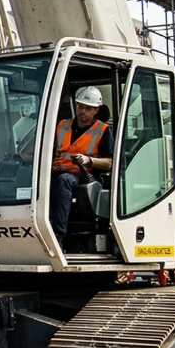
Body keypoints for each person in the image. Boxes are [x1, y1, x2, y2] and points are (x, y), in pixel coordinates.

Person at [49, 86, 113, 244]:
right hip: (55, 170)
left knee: (64, 181)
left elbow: (110, 163)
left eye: (87, 108)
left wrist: (89, 160)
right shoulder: (62, 125)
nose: (82, 111)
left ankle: (57, 236)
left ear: (96, 111)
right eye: (80, 106)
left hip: (82, 175)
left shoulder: (103, 130)